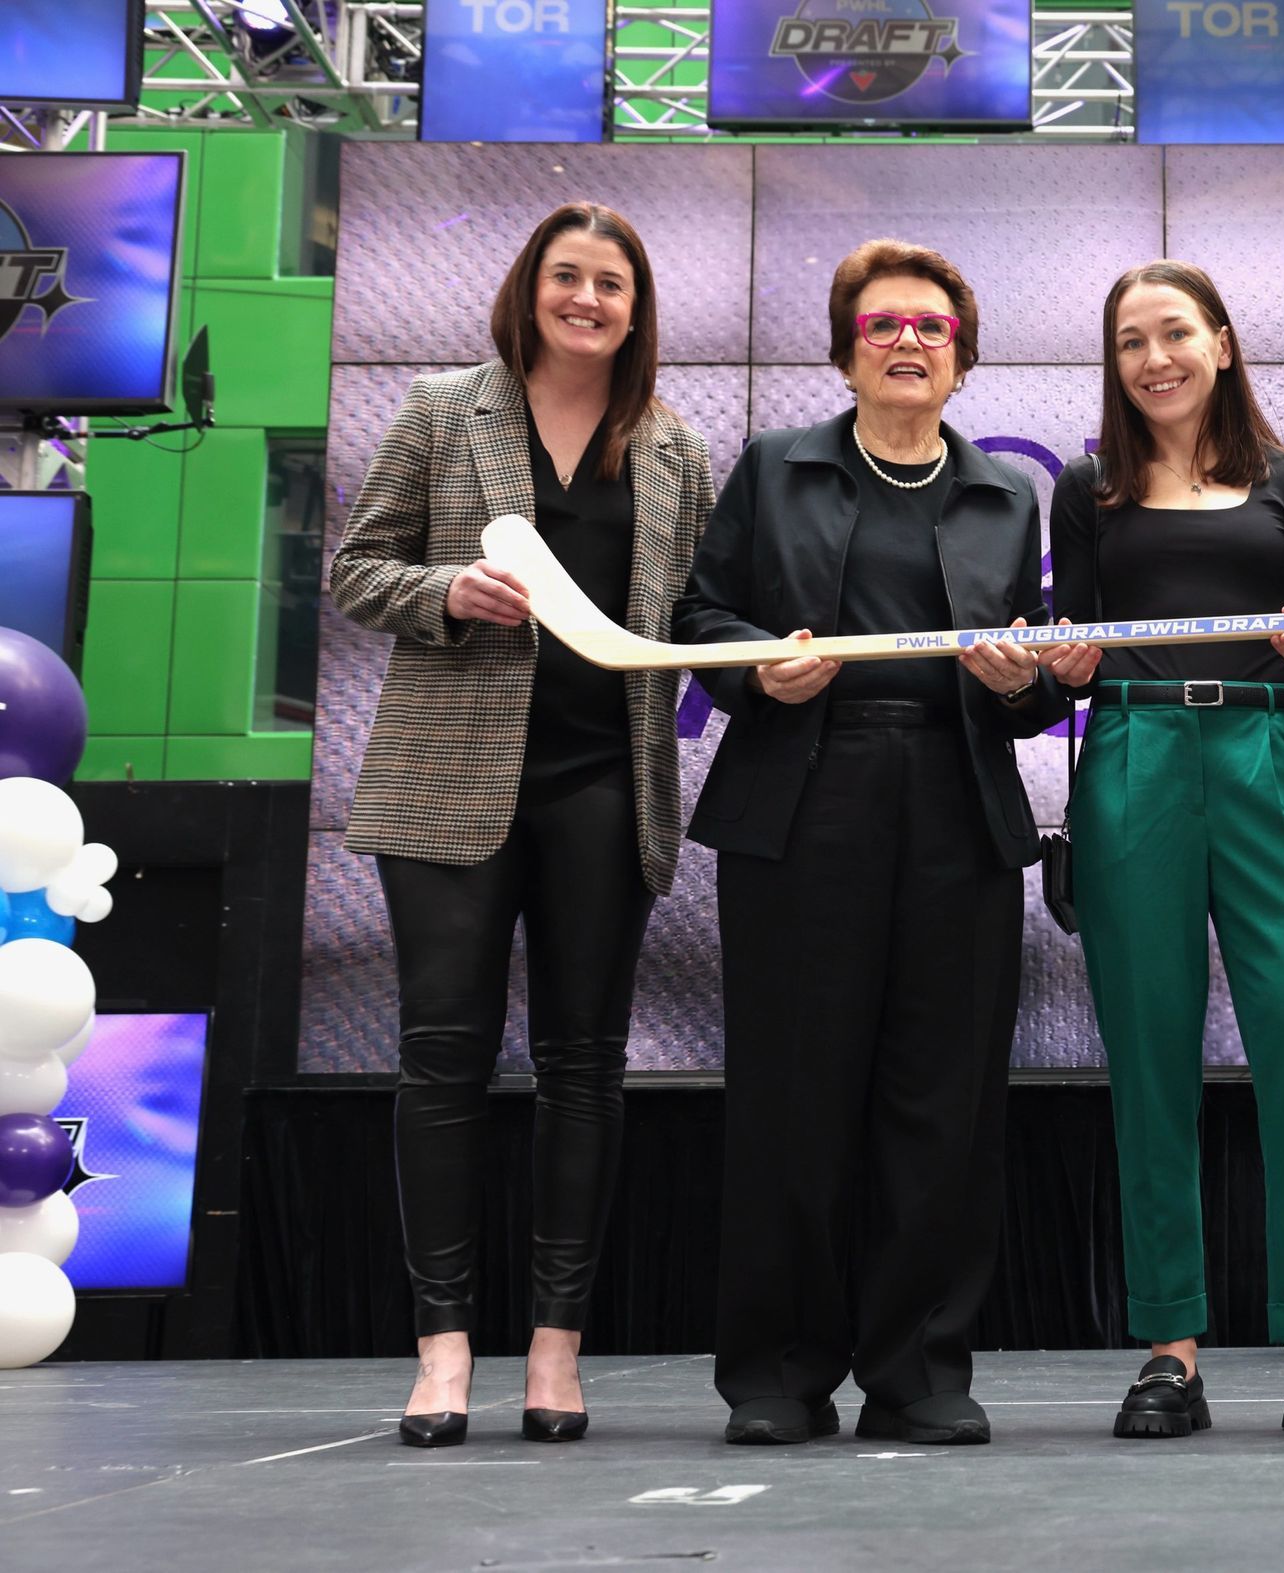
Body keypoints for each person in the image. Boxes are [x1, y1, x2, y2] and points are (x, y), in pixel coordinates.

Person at [329, 202, 713, 1448]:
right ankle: (443, 1352)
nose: (588, 299)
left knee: (583, 1067)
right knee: (442, 1058)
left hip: (607, 781)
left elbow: (691, 624)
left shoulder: (673, 448)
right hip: (445, 780)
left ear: (637, 309)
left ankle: (556, 1352)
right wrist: (447, 589)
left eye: (612, 283)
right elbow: (356, 569)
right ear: (528, 287)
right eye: (568, 277)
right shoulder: (446, 410)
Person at [672, 238, 1063, 1448]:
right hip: (801, 799)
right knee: (796, 1092)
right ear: (846, 348)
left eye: (930, 328)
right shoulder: (773, 468)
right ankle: (778, 1374)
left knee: (940, 1102)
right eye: (882, 323)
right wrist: (759, 671)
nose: (906, 342)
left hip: (957, 805)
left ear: (960, 357)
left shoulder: (1007, 491)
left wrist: (1018, 679)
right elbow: (697, 614)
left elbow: (1038, 682)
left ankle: (919, 1372)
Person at [1044, 260, 1284, 1442]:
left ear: (1223, 343)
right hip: (1133, 755)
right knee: (1148, 1053)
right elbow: (1075, 645)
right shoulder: (1087, 487)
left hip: (1260, 754)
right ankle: (1169, 1351)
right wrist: (1064, 661)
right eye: (1131, 340)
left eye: (1174, 334)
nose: (1154, 357)